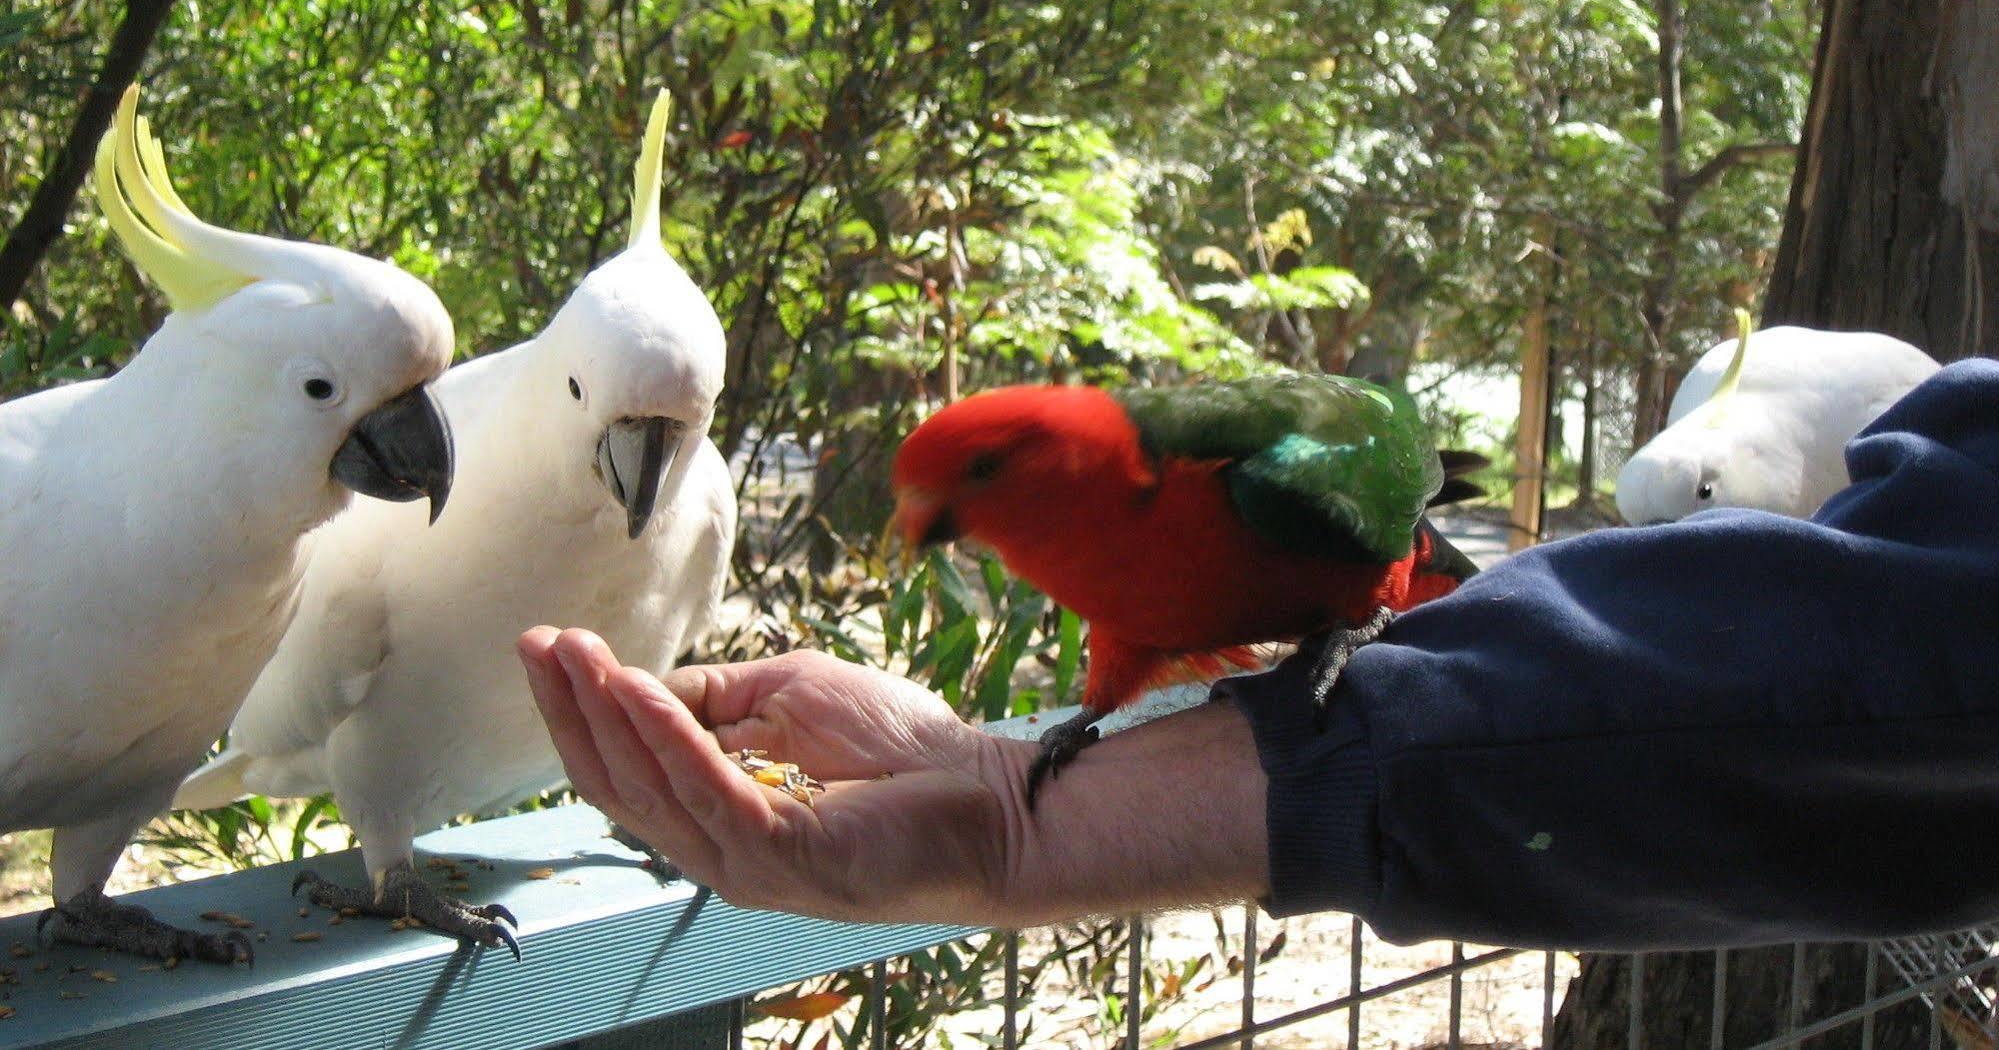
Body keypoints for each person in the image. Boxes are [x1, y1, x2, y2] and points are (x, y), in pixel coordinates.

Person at [517, 358, 1999, 951]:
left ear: (1065, 461)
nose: (938, 531)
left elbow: (1902, 645)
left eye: (965, 500)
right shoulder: (1081, 548)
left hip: (1364, 576)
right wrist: (1015, 788)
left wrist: (1359, 673)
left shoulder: (1249, 473)